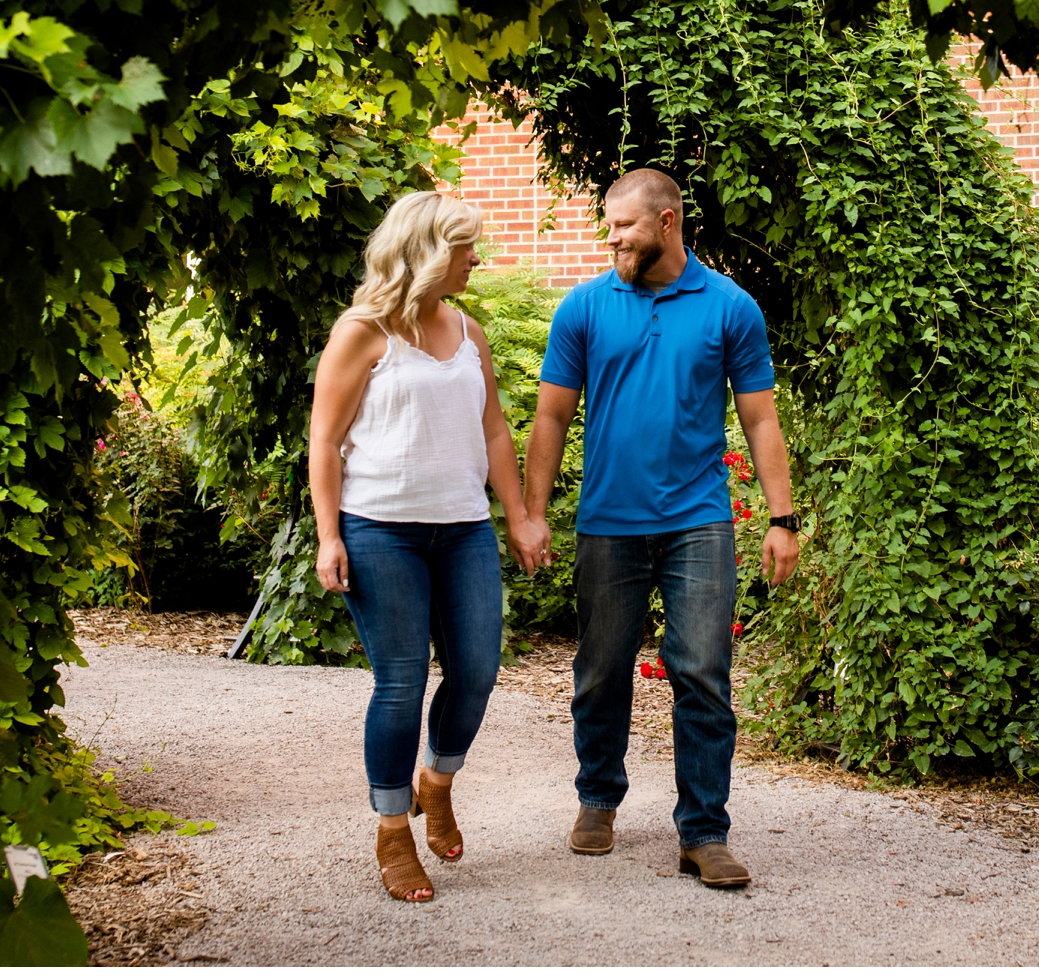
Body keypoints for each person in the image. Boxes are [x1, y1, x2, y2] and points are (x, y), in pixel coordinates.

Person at [514, 168, 802, 890]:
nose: (612, 238)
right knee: (601, 668)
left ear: (668, 222)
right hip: (608, 521)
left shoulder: (729, 306)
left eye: (624, 226)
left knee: (702, 672)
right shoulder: (582, 307)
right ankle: (597, 798)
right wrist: (533, 512)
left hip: (697, 522)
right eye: (608, 226)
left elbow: (760, 417)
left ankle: (704, 830)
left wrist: (781, 517)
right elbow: (550, 416)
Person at [310, 192, 541, 904]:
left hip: (463, 527)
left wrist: (520, 515)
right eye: (466, 247)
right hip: (380, 530)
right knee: (402, 681)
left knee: (475, 670)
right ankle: (391, 830)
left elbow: (494, 430)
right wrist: (328, 534)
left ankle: (434, 783)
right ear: (430, 252)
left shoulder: (469, 330)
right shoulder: (364, 330)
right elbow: (323, 437)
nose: (477, 258)